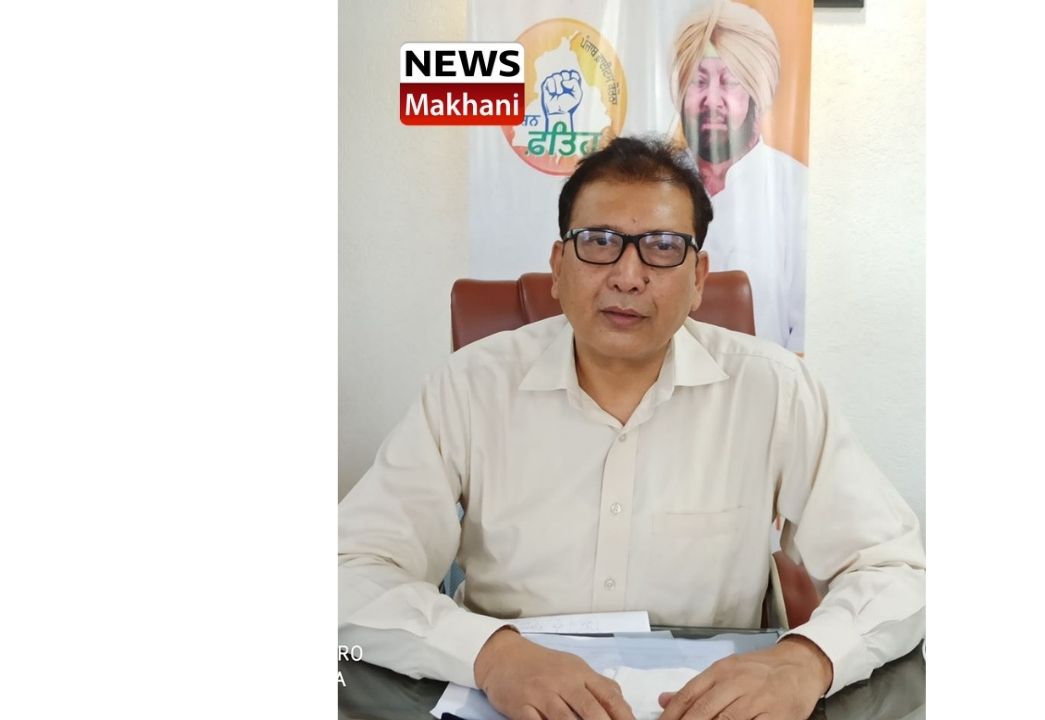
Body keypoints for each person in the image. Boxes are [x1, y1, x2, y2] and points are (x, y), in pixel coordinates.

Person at [338, 136, 924, 720]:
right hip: (510, 698)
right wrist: (490, 655)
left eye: (663, 248)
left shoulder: (774, 390)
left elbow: (895, 568)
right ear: (557, 266)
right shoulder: (469, 386)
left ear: (698, 277)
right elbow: (350, 569)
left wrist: (806, 660)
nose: (627, 276)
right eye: (598, 242)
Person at [670, 0, 807, 353]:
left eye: (729, 82)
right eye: (699, 81)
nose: (712, 100)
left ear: (757, 93)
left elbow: (806, 329)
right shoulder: (658, 184)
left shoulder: (797, 190)